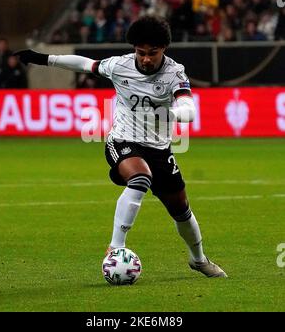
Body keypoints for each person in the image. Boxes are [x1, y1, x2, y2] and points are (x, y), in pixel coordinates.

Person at [14, 16, 227, 278]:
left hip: (159, 149)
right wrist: (44, 58)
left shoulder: (174, 72)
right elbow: (86, 65)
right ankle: (115, 248)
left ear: (164, 50)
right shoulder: (119, 65)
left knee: (181, 210)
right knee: (140, 177)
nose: (146, 59)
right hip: (123, 140)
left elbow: (189, 108)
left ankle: (199, 259)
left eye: (153, 53)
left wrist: (174, 113)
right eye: (141, 52)